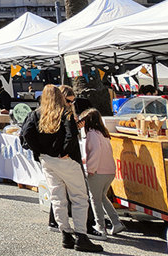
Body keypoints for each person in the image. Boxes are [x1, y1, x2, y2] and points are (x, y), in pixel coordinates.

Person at [20, 85, 102, 253]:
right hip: (65, 160)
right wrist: (62, 151)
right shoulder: (65, 113)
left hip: (47, 161)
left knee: (57, 197)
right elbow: (70, 134)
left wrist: (40, 151)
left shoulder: (36, 114)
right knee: (79, 197)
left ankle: (65, 233)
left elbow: (26, 133)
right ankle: (81, 235)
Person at [79, 108, 126, 237]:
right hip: (109, 171)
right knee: (102, 197)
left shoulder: (91, 134)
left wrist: (90, 168)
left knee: (95, 199)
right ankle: (116, 223)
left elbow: (95, 152)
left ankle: (100, 226)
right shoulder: (103, 134)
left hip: (97, 171)